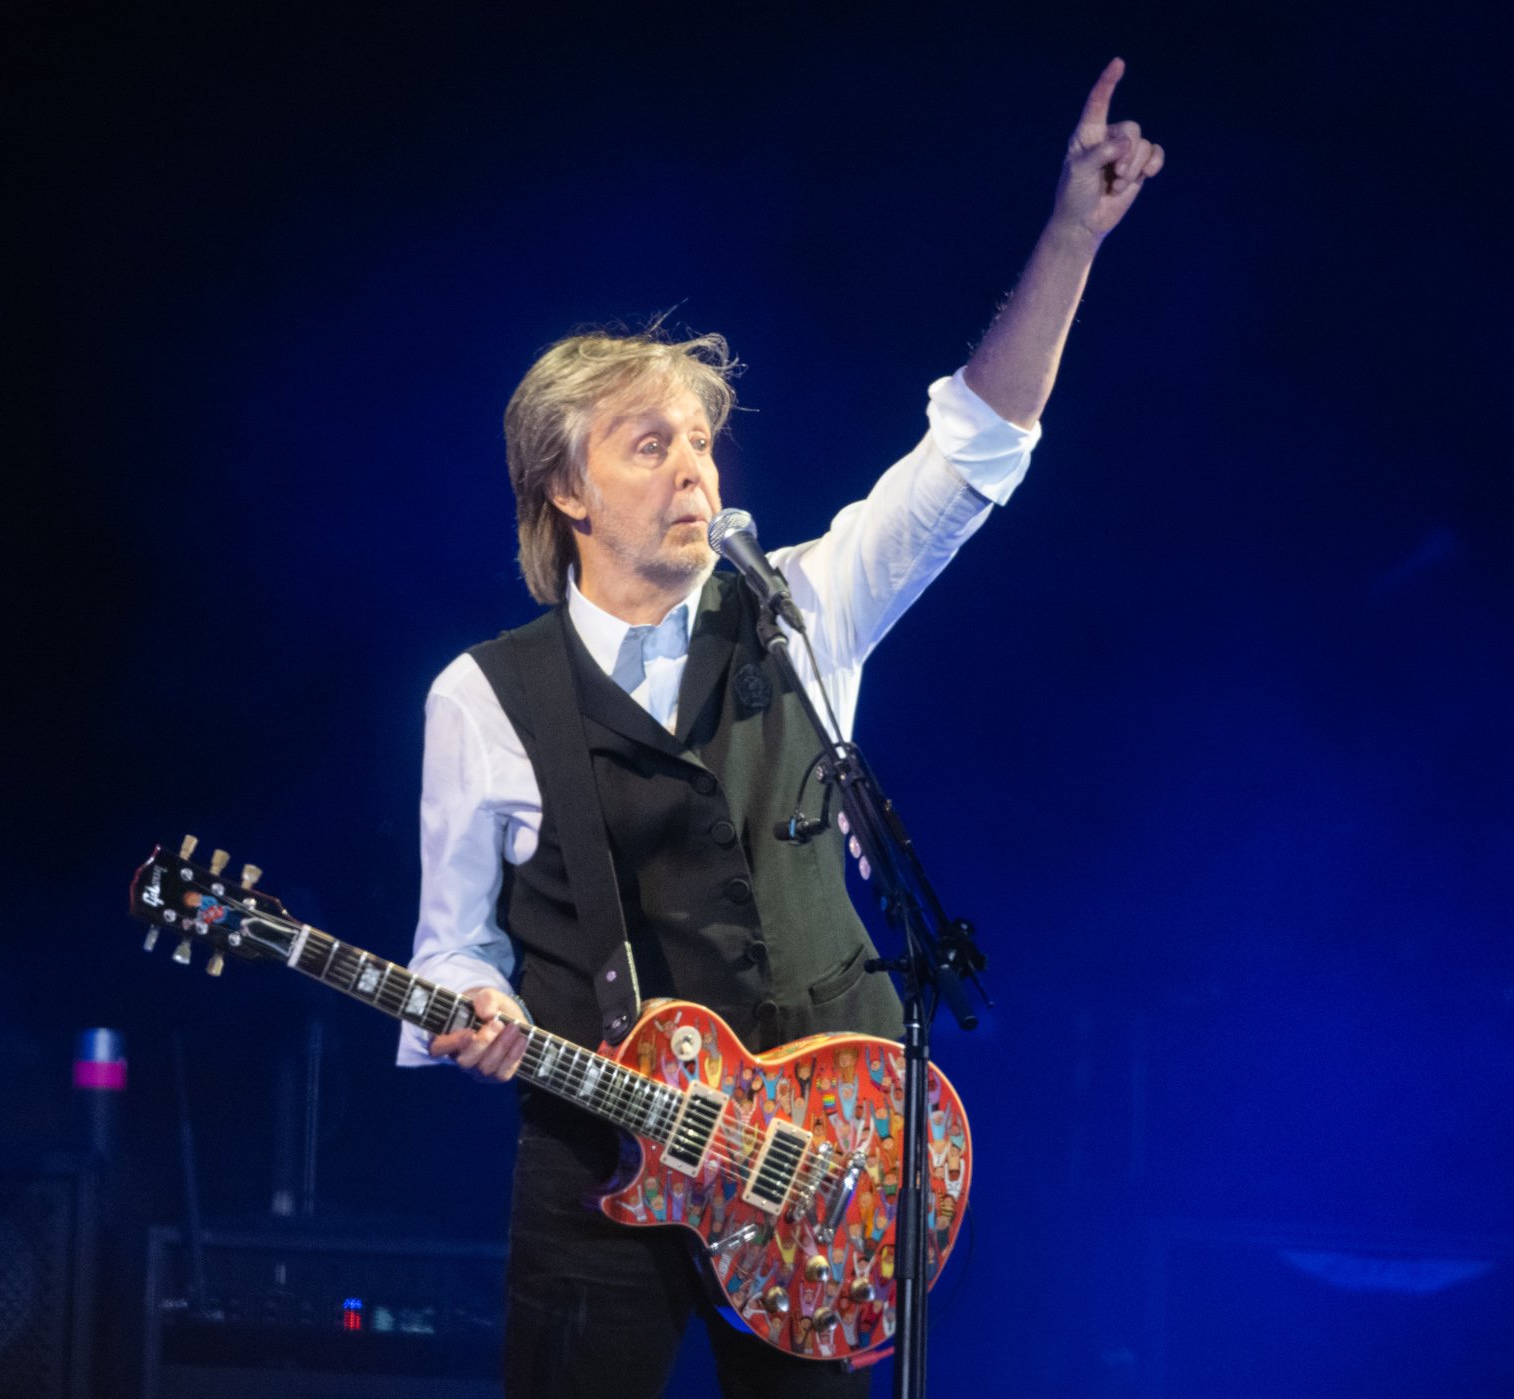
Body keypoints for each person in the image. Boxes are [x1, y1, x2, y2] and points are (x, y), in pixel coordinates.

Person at [398, 58, 1163, 1399]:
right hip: (601, 1177)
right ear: (565, 490)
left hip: (816, 1171)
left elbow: (975, 449)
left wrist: (1070, 236)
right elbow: (456, 951)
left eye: (703, 441)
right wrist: (478, 1017)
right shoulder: (484, 699)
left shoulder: (798, 607)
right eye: (649, 445)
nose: (694, 466)